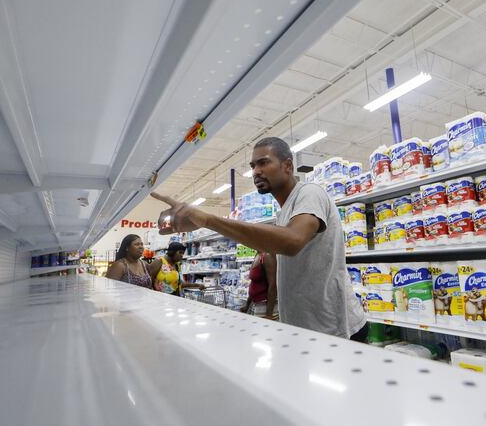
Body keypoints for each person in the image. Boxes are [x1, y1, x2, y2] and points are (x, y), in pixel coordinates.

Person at [152, 137, 367, 341]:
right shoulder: (284, 212)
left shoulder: (309, 193)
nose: (256, 171)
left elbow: (291, 241)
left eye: (263, 163)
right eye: (253, 166)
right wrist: (200, 224)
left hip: (336, 329)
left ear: (288, 166)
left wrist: (208, 219)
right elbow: (263, 238)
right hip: (304, 327)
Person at [242, 251, 278, 320]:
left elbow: (273, 285)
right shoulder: (257, 255)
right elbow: (254, 283)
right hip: (256, 304)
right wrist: (247, 305)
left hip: (264, 306)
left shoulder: (268, 255)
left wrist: (269, 315)